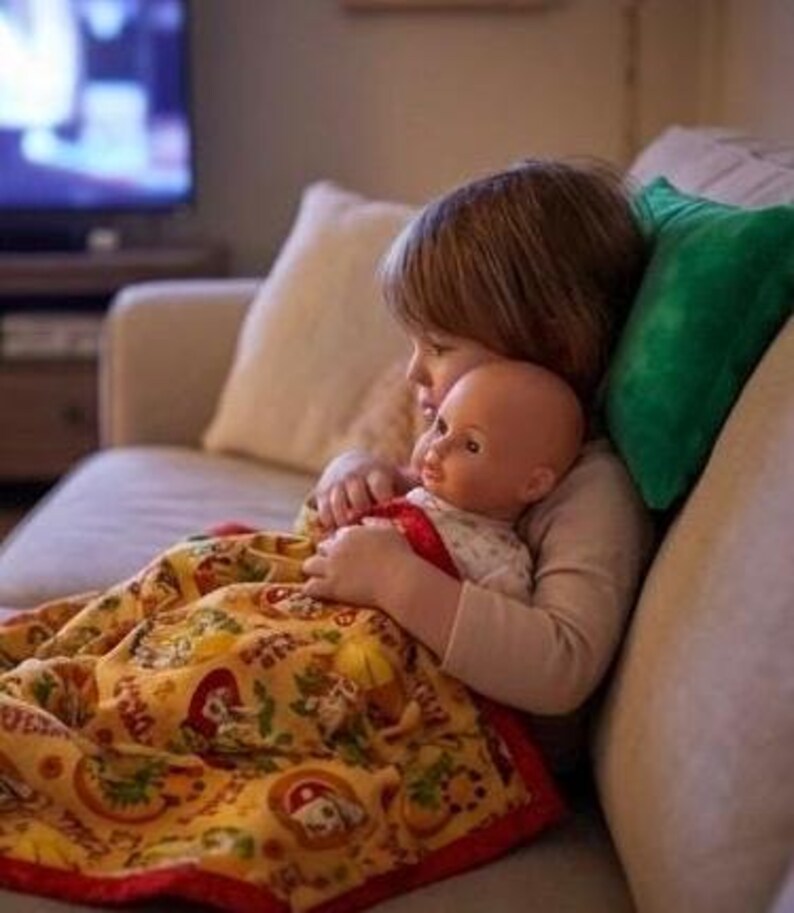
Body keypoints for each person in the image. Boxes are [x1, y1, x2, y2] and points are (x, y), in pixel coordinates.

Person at [301, 158, 655, 766]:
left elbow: (562, 664)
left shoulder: (590, 491)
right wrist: (353, 475)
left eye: (438, 346)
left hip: (449, 740)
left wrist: (397, 580)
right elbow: (427, 508)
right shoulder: (466, 436)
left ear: (551, 346)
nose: (414, 371)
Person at [350, 358, 584, 604]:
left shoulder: (500, 565)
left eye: (472, 445)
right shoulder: (409, 487)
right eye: (441, 427)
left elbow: (490, 637)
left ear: (533, 485)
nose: (438, 446)